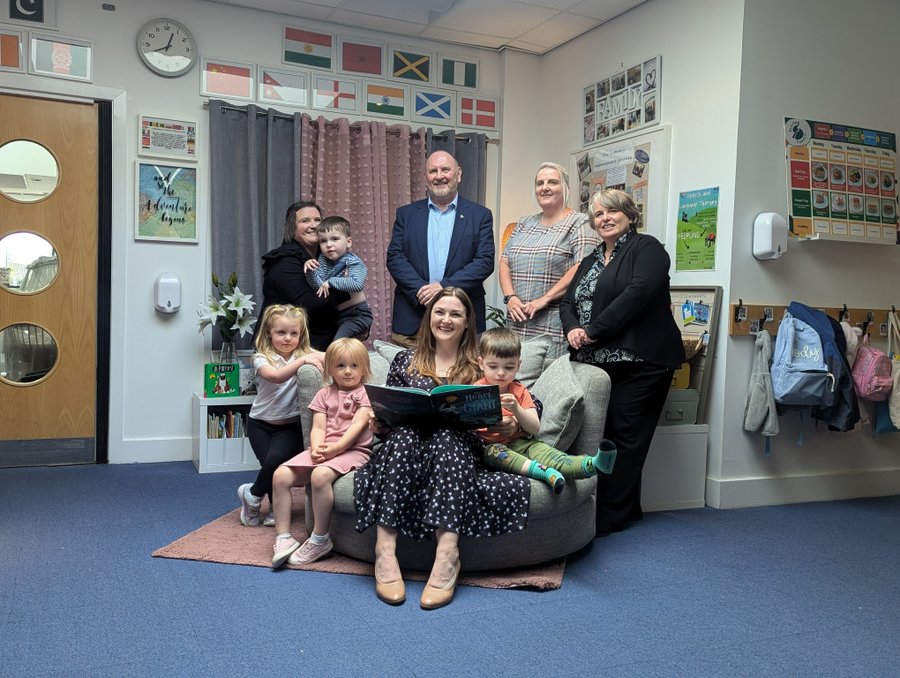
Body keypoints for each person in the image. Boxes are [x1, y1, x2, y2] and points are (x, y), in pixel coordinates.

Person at [353, 288, 529, 609]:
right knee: (405, 435)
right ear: (429, 316)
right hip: (408, 447)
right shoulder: (405, 360)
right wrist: (380, 421)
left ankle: (448, 555)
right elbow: (390, 410)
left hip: (458, 450)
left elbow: (518, 401)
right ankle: (385, 552)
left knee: (448, 436)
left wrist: (511, 424)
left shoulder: (480, 363)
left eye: (455, 314)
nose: (446, 320)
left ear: (466, 322)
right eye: (440, 312)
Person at [560, 188, 685, 537]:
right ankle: (625, 509)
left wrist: (593, 331)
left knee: (625, 438)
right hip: (597, 363)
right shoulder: (591, 258)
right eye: (598, 215)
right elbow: (568, 302)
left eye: (612, 211)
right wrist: (573, 329)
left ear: (629, 214)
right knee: (604, 437)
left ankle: (610, 517)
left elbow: (638, 294)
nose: (605, 219)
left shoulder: (648, 249)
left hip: (641, 362)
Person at [474, 327, 617, 494]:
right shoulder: (475, 392)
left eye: (509, 367)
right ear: (481, 364)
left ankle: (592, 465)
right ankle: (543, 472)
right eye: (493, 366)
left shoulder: (519, 391)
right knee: (496, 452)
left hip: (523, 443)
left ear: (518, 366)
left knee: (550, 454)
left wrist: (516, 409)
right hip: (492, 447)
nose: (501, 373)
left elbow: (534, 428)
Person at [270, 338, 373, 569]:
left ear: (364, 368)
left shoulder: (366, 395)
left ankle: (320, 539)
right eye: (340, 366)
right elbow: (318, 427)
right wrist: (316, 448)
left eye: (354, 366)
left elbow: (356, 428)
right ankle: (284, 537)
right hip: (326, 449)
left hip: (353, 451)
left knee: (320, 476)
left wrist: (335, 450)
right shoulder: (324, 394)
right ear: (330, 369)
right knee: (280, 476)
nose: (347, 372)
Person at [386, 151, 494, 346]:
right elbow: (395, 258)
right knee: (411, 375)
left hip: (463, 321)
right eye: (433, 171)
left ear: (458, 174)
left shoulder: (480, 216)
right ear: (426, 178)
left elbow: (484, 262)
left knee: (461, 377)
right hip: (413, 320)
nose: (439, 176)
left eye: (445, 169)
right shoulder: (406, 214)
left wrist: (443, 288)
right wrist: (422, 291)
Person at [237, 304, 325, 528]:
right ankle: (274, 508)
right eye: (281, 332)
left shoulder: (303, 354)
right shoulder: (261, 358)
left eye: (294, 333)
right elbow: (276, 377)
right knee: (268, 465)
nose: (288, 338)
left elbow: (331, 355)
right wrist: (303, 361)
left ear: (300, 335)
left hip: (288, 427)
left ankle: (252, 495)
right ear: (269, 333)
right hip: (258, 424)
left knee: (275, 462)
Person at [499, 162, 598, 358]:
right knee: (512, 377)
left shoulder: (581, 222)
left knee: (547, 382)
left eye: (552, 182)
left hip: (553, 321)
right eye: (540, 183)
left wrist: (544, 299)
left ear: (565, 188)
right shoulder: (524, 223)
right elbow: (504, 261)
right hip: (517, 319)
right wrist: (510, 298)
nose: (545, 188)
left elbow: (583, 266)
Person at [260, 201, 351, 351]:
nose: (313, 225)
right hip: (285, 350)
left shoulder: (325, 257)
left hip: (318, 344)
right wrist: (344, 285)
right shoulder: (283, 261)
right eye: (305, 221)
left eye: (317, 220)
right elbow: (309, 304)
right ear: (292, 228)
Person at [303, 216, 374, 341]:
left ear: (348, 242)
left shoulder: (353, 261)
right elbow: (319, 286)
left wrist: (331, 281)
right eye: (323, 241)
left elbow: (356, 284)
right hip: (336, 316)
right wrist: (310, 271)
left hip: (356, 314)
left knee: (337, 346)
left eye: (335, 239)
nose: (329, 245)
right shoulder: (323, 260)